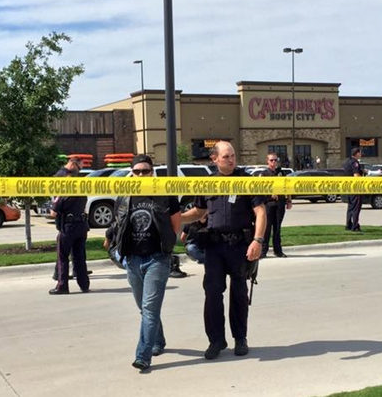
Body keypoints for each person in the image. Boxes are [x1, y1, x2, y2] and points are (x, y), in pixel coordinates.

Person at [181, 141, 267, 360]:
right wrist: (178, 219)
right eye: (226, 156)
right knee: (212, 294)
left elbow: (260, 212)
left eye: (232, 155)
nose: (231, 159)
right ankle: (216, 341)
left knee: (239, 294)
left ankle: (240, 338)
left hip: (239, 246)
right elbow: (198, 211)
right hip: (214, 247)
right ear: (214, 159)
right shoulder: (208, 183)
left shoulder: (246, 180)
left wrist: (257, 241)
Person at [110, 155, 181, 371]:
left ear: (153, 172)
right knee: (144, 308)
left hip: (157, 259)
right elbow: (118, 223)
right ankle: (158, 340)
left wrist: (167, 246)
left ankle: (143, 355)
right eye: (137, 171)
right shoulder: (124, 195)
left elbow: (176, 225)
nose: (141, 174)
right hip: (132, 259)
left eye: (145, 171)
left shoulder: (164, 193)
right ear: (131, 173)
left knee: (149, 308)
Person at [48, 179, 90, 295]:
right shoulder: (82, 195)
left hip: (68, 228)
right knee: (80, 257)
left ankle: (62, 286)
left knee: (62, 257)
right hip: (82, 227)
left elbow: (53, 213)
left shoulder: (63, 195)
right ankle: (84, 285)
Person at [259, 153, 291, 258]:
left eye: (275, 160)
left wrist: (289, 200)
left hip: (280, 203)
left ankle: (278, 251)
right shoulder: (264, 174)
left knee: (277, 229)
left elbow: (287, 187)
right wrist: (271, 192)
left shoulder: (281, 173)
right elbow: (260, 189)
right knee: (267, 228)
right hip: (268, 203)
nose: (273, 162)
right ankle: (263, 251)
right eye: (271, 160)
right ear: (267, 161)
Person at [344, 147, 363, 232]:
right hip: (355, 188)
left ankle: (348, 225)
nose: (361, 154)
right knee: (356, 207)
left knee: (350, 207)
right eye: (360, 153)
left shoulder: (347, 161)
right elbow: (356, 176)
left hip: (349, 187)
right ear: (356, 153)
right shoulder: (355, 162)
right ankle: (355, 226)